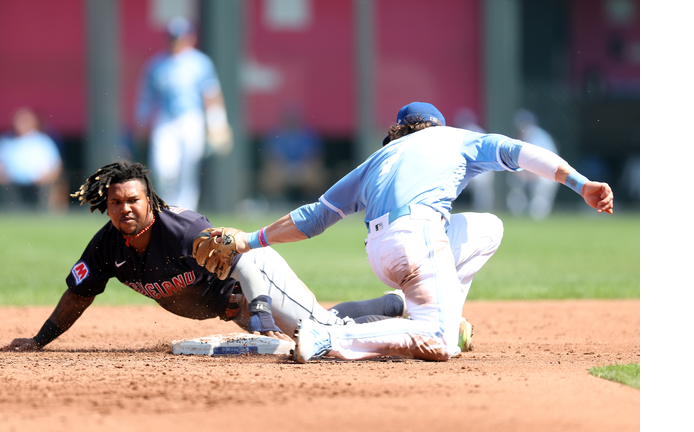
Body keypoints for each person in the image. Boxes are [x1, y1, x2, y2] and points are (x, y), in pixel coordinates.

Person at [208, 101, 614, 363]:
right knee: (439, 342)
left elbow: (314, 217)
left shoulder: (378, 157)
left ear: (399, 131)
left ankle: (444, 314)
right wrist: (581, 184)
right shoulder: (458, 138)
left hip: (382, 250)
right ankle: (330, 336)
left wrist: (251, 239)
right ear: (436, 125)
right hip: (419, 236)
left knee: (488, 228)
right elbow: (524, 155)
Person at [0, 161, 408, 351]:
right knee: (320, 326)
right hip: (233, 307)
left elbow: (241, 258)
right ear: (106, 206)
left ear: (150, 200)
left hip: (256, 278)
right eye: (116, 201)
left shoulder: (183, 229)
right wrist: (39, 340)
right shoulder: (106, 247)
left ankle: (407, 316)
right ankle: (392, 305)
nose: (125, 208)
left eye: (134, 200)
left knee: (321, 332)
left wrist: (261, 309)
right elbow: (79, 294)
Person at [134, 16, 232, 212]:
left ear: (190, 38)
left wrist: (218, 124)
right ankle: (166, 209)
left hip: (192, 119)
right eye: (173, 37)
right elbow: (146, 97)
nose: (176, 42)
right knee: (163, 168)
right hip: (165, 119)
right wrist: (141, 123)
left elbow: (211, 95)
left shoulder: (200, 63)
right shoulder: (157, 64)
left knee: (188, 172)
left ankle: (184, 214)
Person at [0, 107, 68, 213]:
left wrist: (45, 178)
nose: (21, 124)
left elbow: (56, 167)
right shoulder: (3, 141)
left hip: (37, 184)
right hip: (9, 184)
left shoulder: (44, 142)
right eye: (19, 121)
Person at [259, 105, 326, 206]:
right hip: (282, 169)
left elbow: (315, 157)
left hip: (303, 168)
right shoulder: (274, 134)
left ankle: (310, 200)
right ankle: (277, 201)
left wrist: (299, 169)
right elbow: (270, 158)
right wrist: (286, 170)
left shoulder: (309, 134)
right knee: (272, 175)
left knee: (314, 174)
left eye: (293, 119)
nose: (291, 122)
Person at [506, 109, 560, 220]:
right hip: (536, 171)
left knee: (540, 198)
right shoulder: (526, 136)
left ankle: (537, 218)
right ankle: (518, 211)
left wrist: (527, 174)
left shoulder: (535, 135)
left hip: (551, 171)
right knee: (516, 180)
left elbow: (543, 162)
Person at [454, 108, 494, 212]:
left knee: (482, 193)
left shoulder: (473, 132)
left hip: (483, 169)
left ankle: (482, 209)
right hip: (474, 168)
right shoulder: (467, 132)